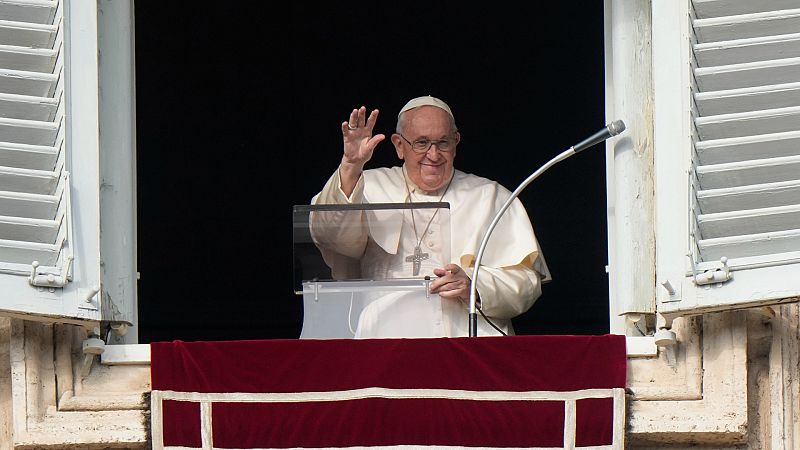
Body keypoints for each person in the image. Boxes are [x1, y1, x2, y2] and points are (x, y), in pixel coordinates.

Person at [310, 95, 550, 338]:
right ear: (399, 145)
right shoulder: (367, 186)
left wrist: (474, 285)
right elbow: (328, 235)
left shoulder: (490, 197)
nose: (433, 155)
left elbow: (526, 284)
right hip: (384, 338)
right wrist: (351, 166)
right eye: (421, 143)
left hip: (468, 341)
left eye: (443, 143)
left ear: (456, 142)